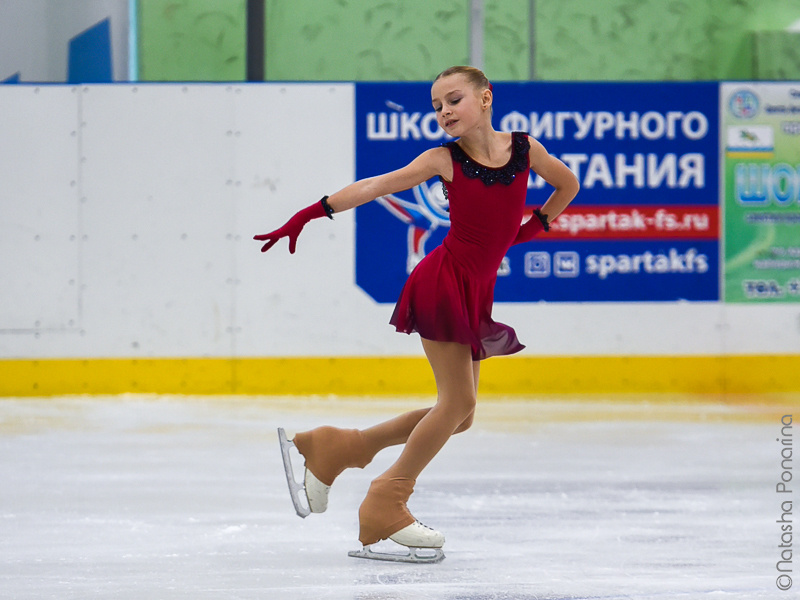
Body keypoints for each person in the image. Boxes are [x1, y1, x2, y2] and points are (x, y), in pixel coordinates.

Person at [256, 66, 579, 563]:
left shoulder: (524, 149)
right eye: (437, 106)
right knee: (455, 404)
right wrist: (308, 213)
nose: (445, 112)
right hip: (443, 283)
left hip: (475, 290)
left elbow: (567, 184)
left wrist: (532, 228)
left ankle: (339, 448)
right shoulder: (442, 160)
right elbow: (374, 186)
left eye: (454, 100)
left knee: (462, 416)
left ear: (486, 97)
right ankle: (388, 499)